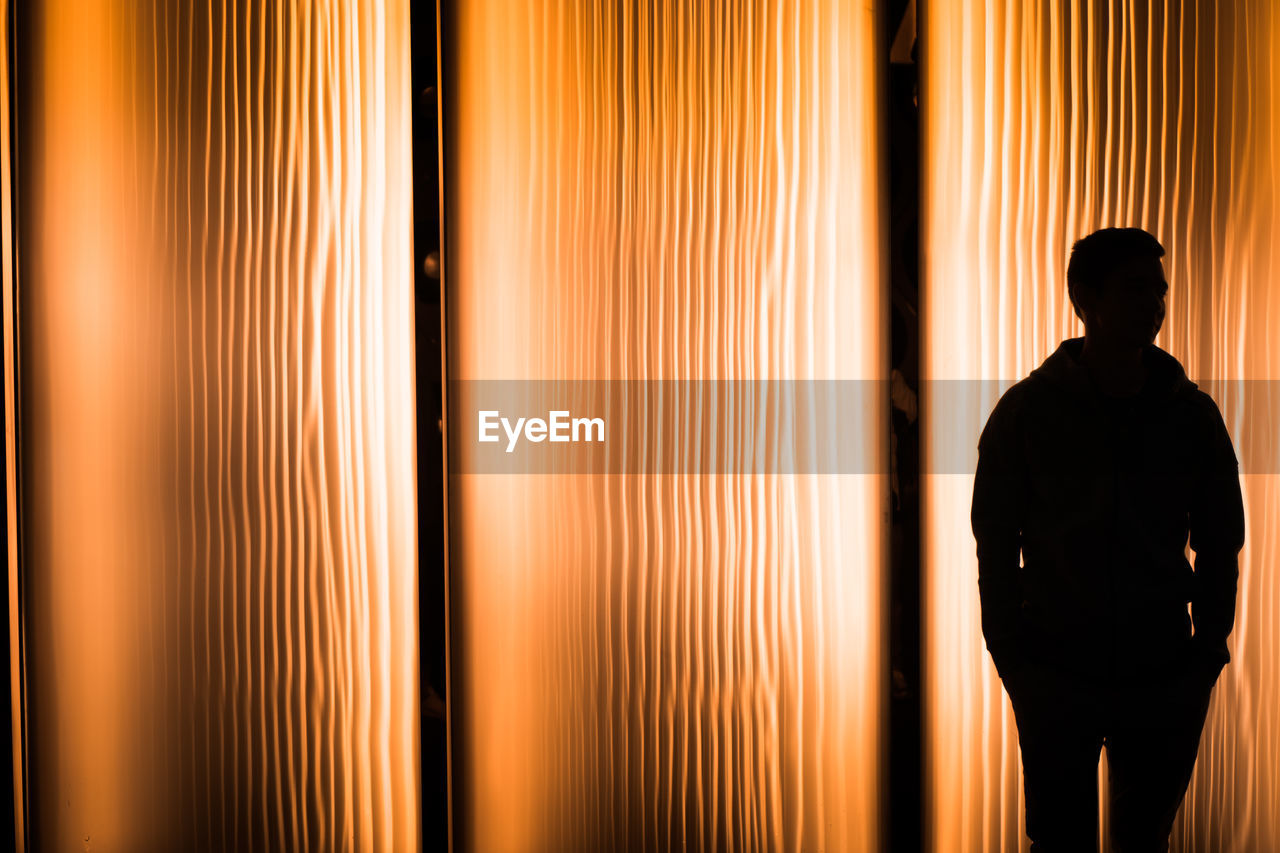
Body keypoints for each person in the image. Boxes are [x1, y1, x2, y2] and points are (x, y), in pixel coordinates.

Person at [970, 227, 1245, 852]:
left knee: (1138, 838)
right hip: (1061, 669)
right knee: (1070, 837)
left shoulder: (1189, 417)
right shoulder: (1028, 414)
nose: (1154, 303)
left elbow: (1222, 539)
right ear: (1084, 300)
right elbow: (993, 539)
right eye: (1136, 288)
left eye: (1159, 290)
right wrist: (1013, 655)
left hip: (1156, 669)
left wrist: (1205, 654)